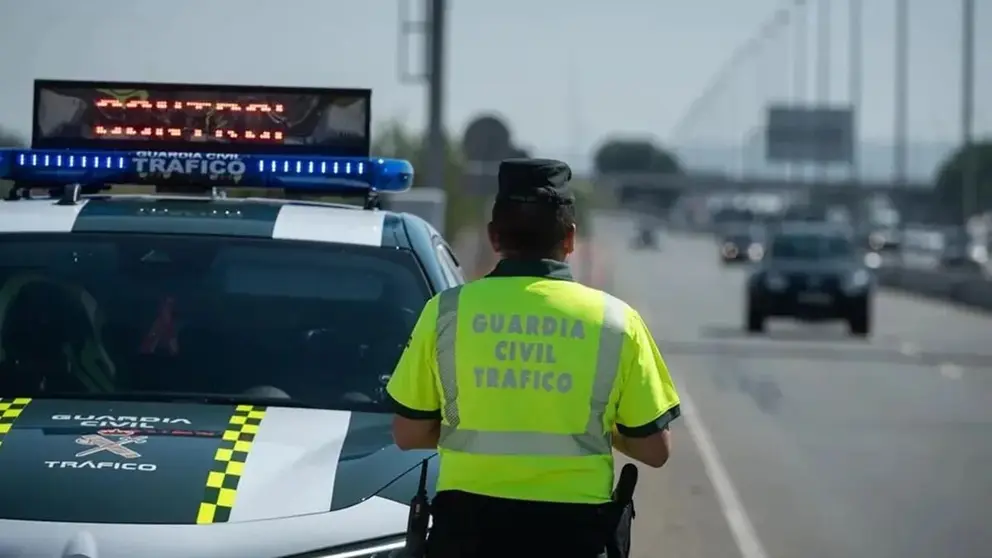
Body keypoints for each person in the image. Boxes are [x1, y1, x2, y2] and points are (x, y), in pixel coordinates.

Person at [386, 158, 681, 558]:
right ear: (570, 238)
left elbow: (407, 434)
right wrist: (592, 426)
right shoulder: (616, 321)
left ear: (493, 237)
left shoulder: (446, 312)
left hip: (466, 534)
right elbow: (655, 450)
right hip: (575, 535)